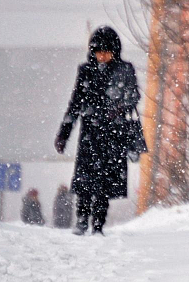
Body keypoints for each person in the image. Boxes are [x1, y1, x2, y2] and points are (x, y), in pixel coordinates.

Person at [54, 26, 140, 235]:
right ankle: (82, 219)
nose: (102, 56)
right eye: (98, 51)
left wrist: (119, 106)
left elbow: (134, 96)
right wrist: (63, 134)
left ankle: (98, 224)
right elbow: (75, 104)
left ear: (114, 51)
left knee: (104, 184)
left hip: (114, 135)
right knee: (85, 181)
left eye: (106, 51)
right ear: (92, 52)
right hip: (90, 135)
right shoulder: (86, 71)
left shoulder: (125, 70)